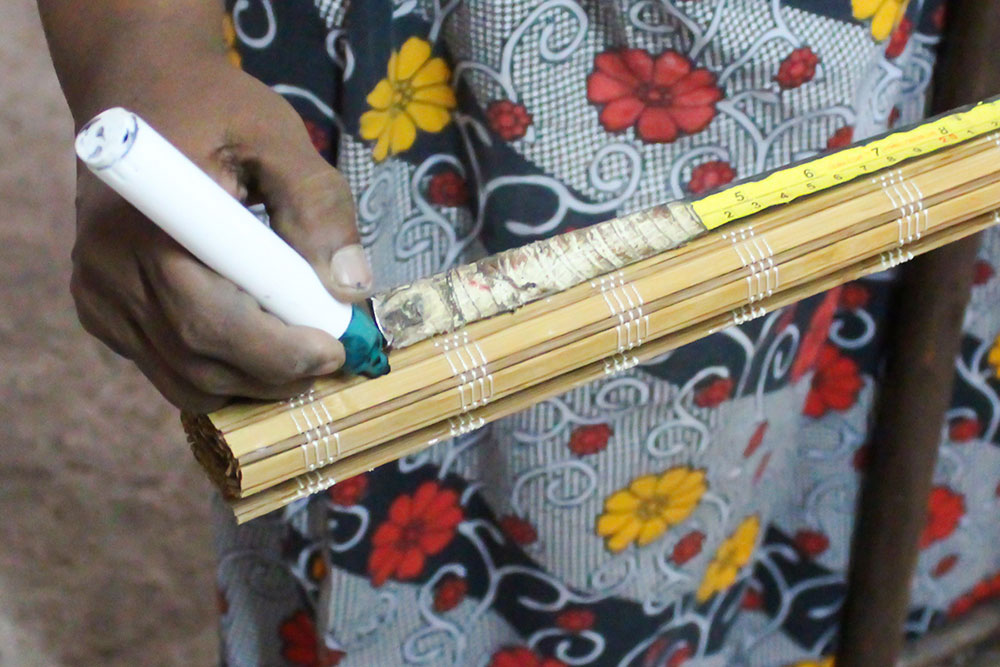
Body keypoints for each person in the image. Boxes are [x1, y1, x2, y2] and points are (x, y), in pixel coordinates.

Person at [38, 1, 1000, 665]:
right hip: (435, 95)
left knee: (876, 465)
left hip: (880, 65)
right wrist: (143, 54)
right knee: (584, 556)